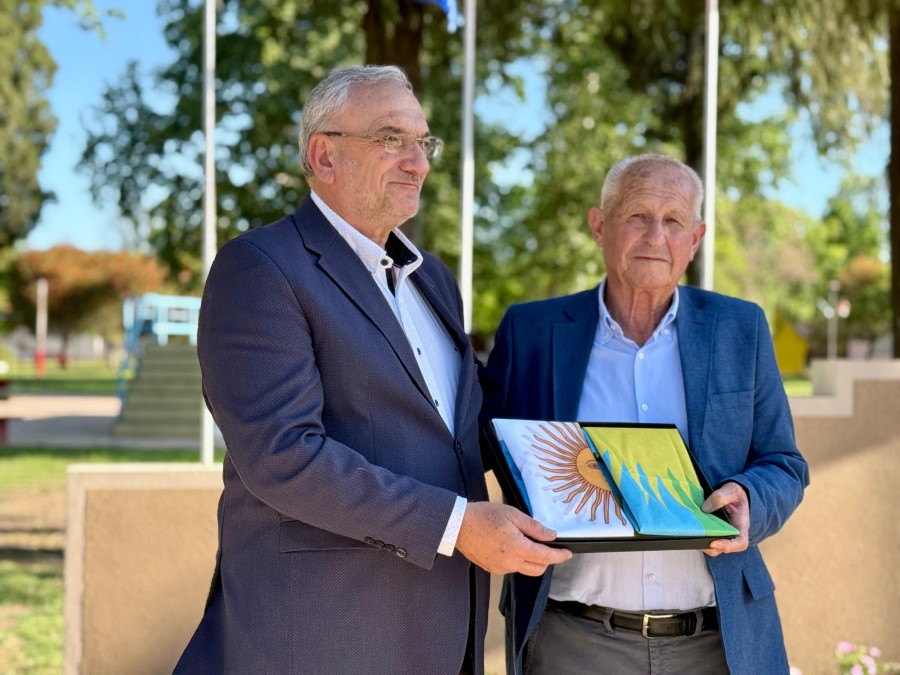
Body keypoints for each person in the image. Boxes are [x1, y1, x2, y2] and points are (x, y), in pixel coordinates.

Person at [175, 65, 571, 675]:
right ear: (323, 155)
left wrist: (606, 475)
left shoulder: (433, 279)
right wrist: (459, 525)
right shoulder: (259, 268)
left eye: (424, 142)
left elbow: (462, 428)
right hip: (323, 636)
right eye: (392, 139)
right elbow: (284, 455)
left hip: (444, 631)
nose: (418, 162)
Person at [481, 154, 810, 675]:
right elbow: (481, 445)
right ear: (599, 226)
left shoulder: (740, 329)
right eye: (637, 215)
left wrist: (752, 498)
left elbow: (784, 462)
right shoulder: (532, 333)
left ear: (696, 239)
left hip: (717, 642)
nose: (656, 236)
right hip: (572, 640)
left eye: (674, 220)